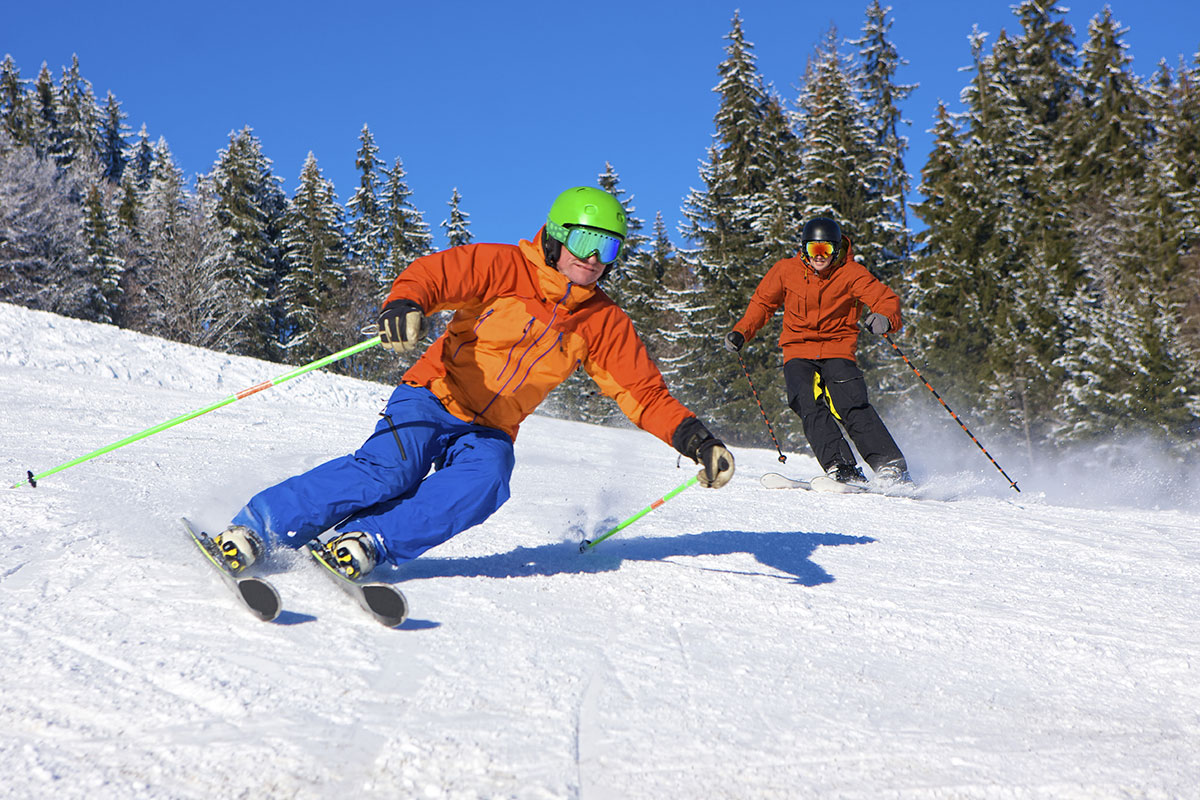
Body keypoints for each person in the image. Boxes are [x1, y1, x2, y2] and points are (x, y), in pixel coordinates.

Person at [214, 186, 735, 578]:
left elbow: (642, 393)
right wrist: (405, 303)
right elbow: (436, 274)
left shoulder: (603, 322)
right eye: (584, 240)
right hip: (435, 392)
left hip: (490, 429)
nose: (594, 259)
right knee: (392, 470)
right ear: (555, 236)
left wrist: (696, 439)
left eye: (609, 248)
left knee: (488, 480)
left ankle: (367, 541)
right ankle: (256, 528)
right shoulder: (505, 266)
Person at [724, 216, 910, 485]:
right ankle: (842, 466)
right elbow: (763, 304)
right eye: (813, 250)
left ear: (836, 250)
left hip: (838, 347)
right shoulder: (785, 271)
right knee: (807, 402)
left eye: (825, 250)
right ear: (803, 249)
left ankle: (890, 465)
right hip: (798, 350)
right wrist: (742, 331)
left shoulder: (851, 273)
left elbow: (885, 299)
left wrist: (884, 318)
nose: (819, 257)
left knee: (848, 403)